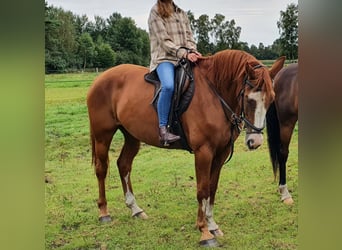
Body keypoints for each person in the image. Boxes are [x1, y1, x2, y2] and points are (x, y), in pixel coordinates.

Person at [148, 0, 202, 145]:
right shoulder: (155, 12)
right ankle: (163, 130)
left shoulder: (181, 12)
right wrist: (184, 53)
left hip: (184, 57)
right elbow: (164, 42)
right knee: (169, 86)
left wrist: (193, 50)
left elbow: (189, 37)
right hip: (165, 58)